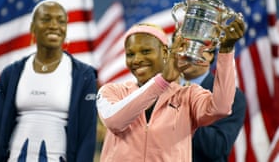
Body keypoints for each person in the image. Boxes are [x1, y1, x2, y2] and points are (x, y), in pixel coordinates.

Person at [96, 20, 245, 162]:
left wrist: (226, 51)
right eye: (130, 54)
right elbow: (115, 121)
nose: (137, 59)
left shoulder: (187, 95)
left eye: (146, 51)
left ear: (166, 53)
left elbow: (221, 108)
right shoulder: (111, 91)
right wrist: (162, 81)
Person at [0, 0, 98, 162]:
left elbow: (87, 136)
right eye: (46, 19)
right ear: (32, 28)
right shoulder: (11, 73)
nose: (54, 25)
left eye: (61, 21)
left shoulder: (84, 75)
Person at [171, 28, 247, 161]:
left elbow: (217, 148)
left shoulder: (232, 97)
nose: (190, 53)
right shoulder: (158, 89)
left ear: (211, 55)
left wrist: (180, 111)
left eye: (198, 47)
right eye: (184, 46)